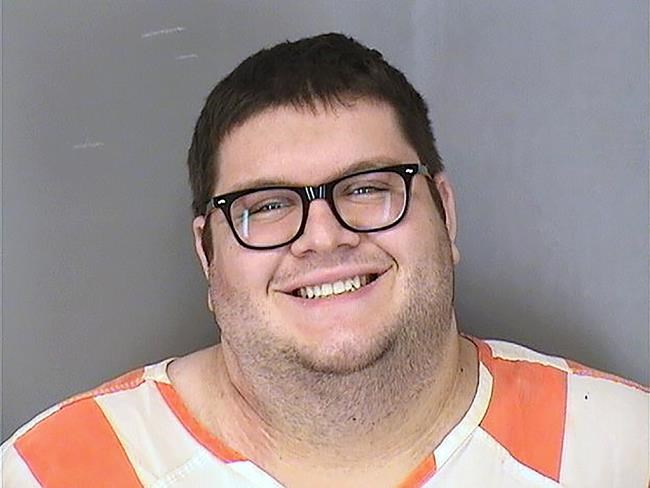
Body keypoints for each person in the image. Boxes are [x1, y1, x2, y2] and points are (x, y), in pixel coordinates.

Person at [2, 33, 648, 488]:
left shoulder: (623, 451)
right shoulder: (53, 472)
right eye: (267, 206)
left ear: (445, 213)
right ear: (207, 254)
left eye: (366, 189)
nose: (323, 237)